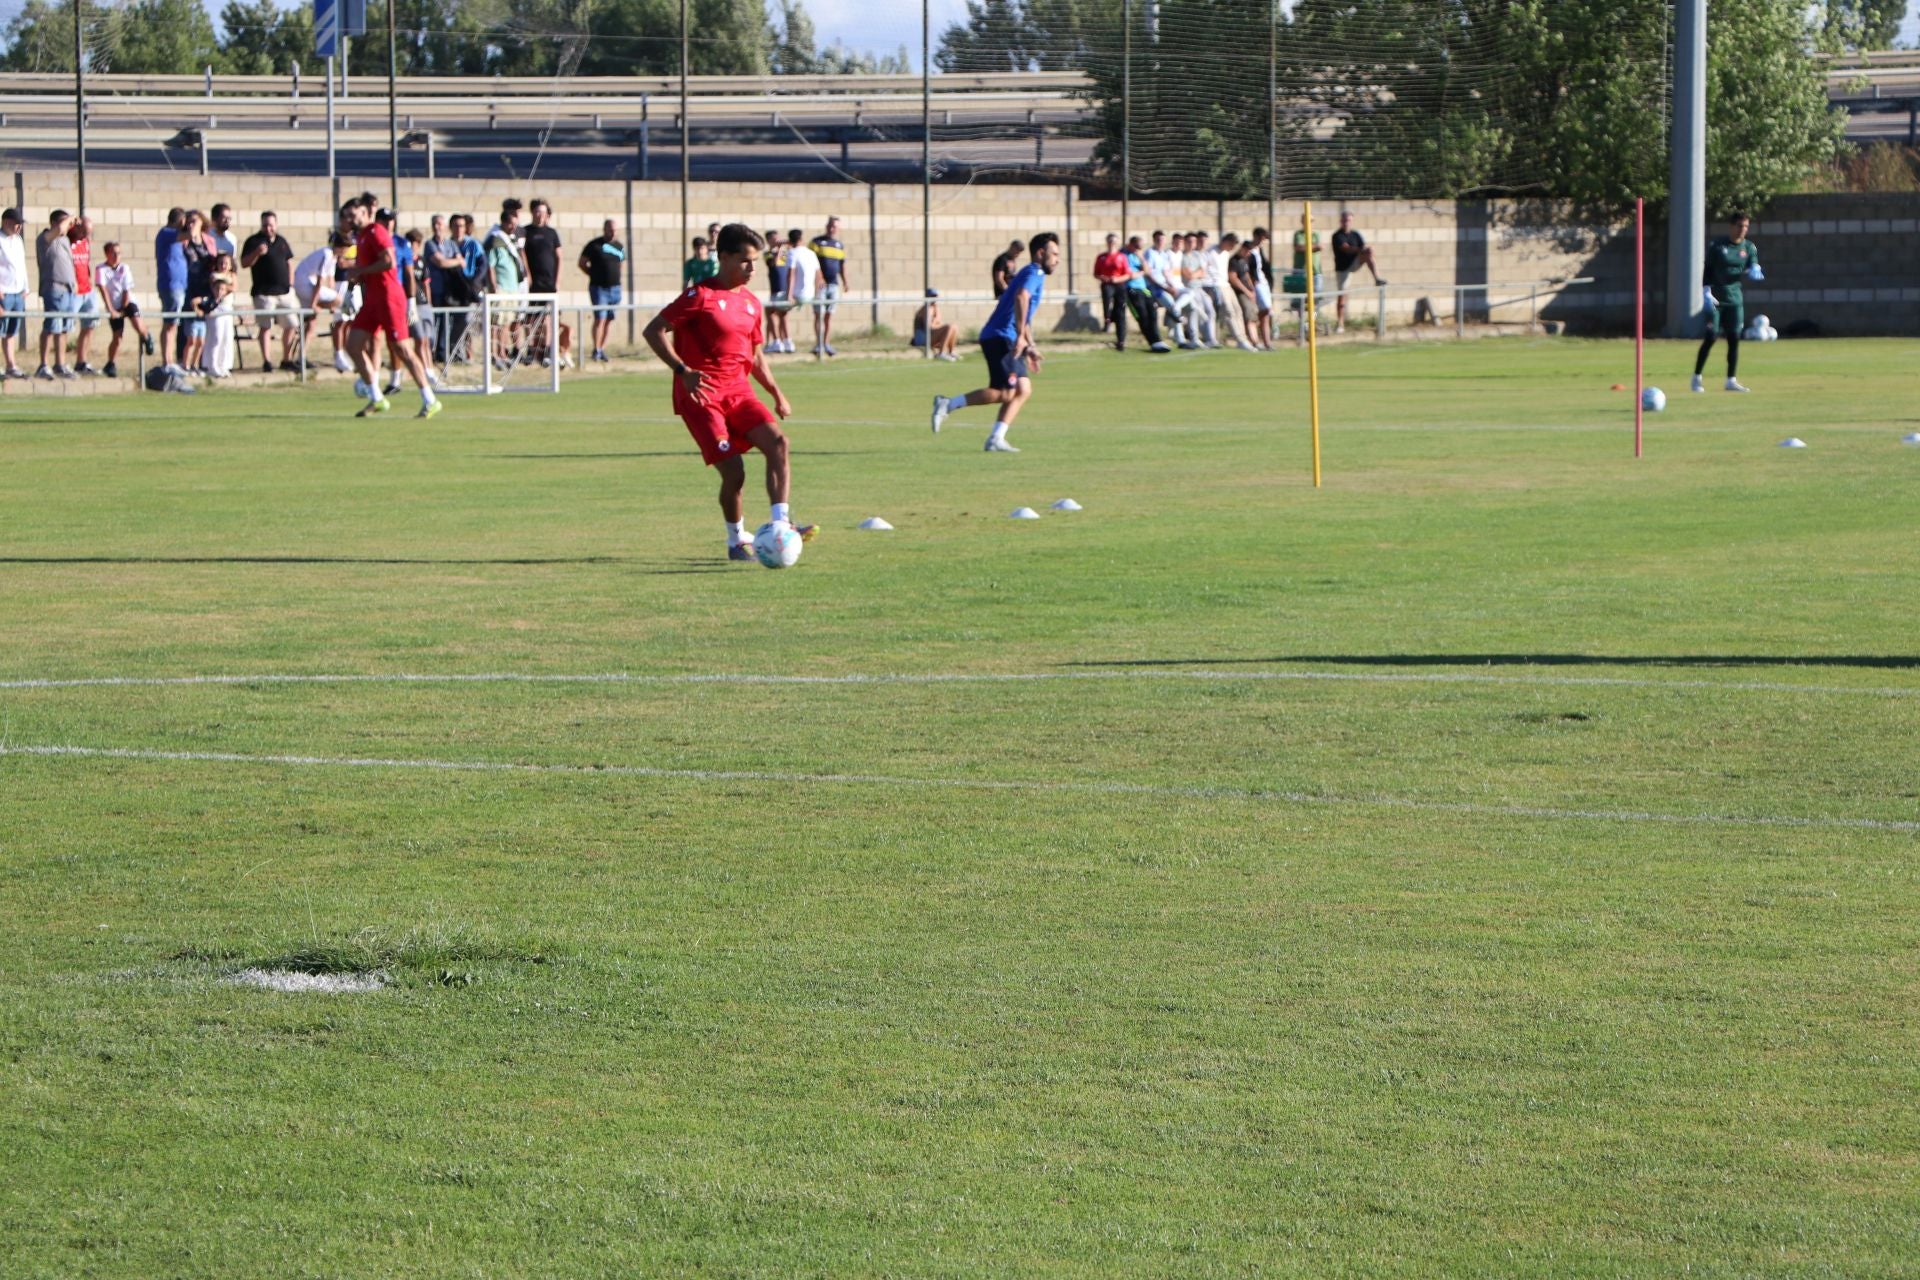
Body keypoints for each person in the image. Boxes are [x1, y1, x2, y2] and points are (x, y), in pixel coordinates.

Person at [643, 222, 815, 562]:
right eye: (746, 261)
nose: (753, 268)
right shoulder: (700, 296)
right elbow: (654, 331)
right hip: (702, 396)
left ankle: (781, 524)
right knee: (734, 472)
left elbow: (754, 356)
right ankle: (737, 540)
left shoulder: (751, 303)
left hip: (739, 393)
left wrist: (776, 393)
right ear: (724, 258)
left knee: (779, 443)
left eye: (755, 261)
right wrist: (683, 371)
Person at [928, 231, 1060, 453]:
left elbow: (1023, 313)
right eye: (1054, 254)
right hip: (1000, 336)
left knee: (1023, 389)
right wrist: (1019, 337)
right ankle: (947, 404)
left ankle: (996, 438)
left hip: (1005, 335)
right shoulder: (1034, 271)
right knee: (1006, 392)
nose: (1057, 259)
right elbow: (1021, 297)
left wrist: (1030, 346)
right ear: (1040, 253)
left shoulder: (1035, 274)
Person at [339, 194, 440, 419]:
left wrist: (360, 271)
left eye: (353, 215)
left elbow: (389, 262)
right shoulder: (362, 237)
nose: (350, 220)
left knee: (402, 349)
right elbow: (367, 268)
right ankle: (376, 397)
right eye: (347, 216)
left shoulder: (376, 232)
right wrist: (354, 280)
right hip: (373, 299)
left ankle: (430, 399)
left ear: (365, 213)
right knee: (353, 345)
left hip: (389, 297)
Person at [1693, 210, 1759, 394]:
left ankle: (1731, 380)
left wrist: (1755, 268)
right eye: (1739, 226)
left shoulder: (1749, 248)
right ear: (1731, 226)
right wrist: (1706, 290)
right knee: (1711, 337)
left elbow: (1754, 263)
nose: (1743, 230)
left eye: (1746, 226)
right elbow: (1708, 269)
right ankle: (1696, 377)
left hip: (1735, 300)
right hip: (1715, 299)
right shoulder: (1717, 246)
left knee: (1734, 339)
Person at [241, 210, 298, 372]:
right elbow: (245, 263)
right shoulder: (253, 241)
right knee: (265, 327)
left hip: (284, 292)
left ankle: (287, 359)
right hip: (264, 293)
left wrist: (291, 284)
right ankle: (267, 361)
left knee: (291, 325)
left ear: (276, 225)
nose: (268, 228)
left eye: (271, 225)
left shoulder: (281, 241)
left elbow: (289, 263)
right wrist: (257, 253)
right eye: (265, 225)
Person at [94, 240, 151, 378]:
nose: (116, 256)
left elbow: (127, 290)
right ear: (107, 254)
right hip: (114, 305)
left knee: (138, 325)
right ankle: (111, 364)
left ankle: (147, 336)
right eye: (113, 253)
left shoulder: (124, 268)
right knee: (117, 337)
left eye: (119, 253)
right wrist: (111, 309)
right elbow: (103, 290)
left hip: (128, 302)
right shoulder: (101, 269)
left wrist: (124, 308)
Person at [293, 234, 344, 370]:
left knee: (311, 325)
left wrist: (331, 304)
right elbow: (320, 282)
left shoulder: (333, 257)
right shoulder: (327, 254)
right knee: (339, 299)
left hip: (306, 285)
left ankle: (301, 358)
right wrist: (315, 304)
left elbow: (330, 281)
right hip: (304, 285)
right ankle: (315, 307)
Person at [36, 209, 76, 380]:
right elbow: (60, 228)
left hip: (68, 289)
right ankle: (43, 364)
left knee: (64, 329)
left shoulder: (65, 239)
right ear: (54, 222)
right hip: (53, 287)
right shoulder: (45, 238)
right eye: (65, 222)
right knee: (51, 326)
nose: (68, 226)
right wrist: (71, 218)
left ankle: (60, 363)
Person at [1329, 211, 1384, 334]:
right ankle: (1340, 324)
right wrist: (1360, 249)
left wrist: (1368, 250)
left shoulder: (1355, 234)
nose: (1346, 222)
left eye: (1348, 220)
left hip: (1355, 263)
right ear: (1341, 221)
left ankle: (1377, 278)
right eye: (1344, 220)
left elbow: (1363, 248)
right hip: (1343, 269)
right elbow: (1346, 248)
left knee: (1369, 253)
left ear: (1351, 221)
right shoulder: (1337, 236)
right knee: (1342, 297)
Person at [579, 217, 625, 363]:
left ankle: (602, 349)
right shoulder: (594, 245)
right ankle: (596, 349)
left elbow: (621, 264)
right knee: (600, 318)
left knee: (609, 320)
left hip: (615, 289)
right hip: (599, 288)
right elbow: (582, 263)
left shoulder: (619, 246)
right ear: (604, 229)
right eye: (610, 229)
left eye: (615, 230)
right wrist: (593, 274)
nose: (613, 232)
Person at [177, 210, 215, 376]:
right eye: (189, 221)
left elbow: (214, 260)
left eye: (195, 221)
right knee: (188, 329)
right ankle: (183, 362)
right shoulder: (182, 241)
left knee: (201, 331)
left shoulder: (209, 241)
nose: (191, 224)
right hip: (187, 287)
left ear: (202, 223)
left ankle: (196, 364)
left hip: (205, 288)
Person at [153, 207, 188, 373]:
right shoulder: (167, 232)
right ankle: (167, 360)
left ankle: (170, 359)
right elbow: (188, 235)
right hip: (171, 285)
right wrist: (193, 225)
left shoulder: (174, 237)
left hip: (179, 285)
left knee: (173, 325)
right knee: (170, 324)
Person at [1122, 234, 1170, 354]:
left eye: (1141, 248)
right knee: (1142, 316)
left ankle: (1158, 340)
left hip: (1144, 288)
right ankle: (1152, 342)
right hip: (1131, 289)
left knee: (1153, 313)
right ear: (1131, 245)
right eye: (1137, 247)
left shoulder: (1138, 255)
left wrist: (1142, 259)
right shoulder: (1123, 255)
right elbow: (1130, 275)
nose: (1139, 249)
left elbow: (1147, 271)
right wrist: (1141, 272)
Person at [809, 215, 848, 356]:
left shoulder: (839, 245)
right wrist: (818, 279)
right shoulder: (816, 242)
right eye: (831, 226)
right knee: (819, 315)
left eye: (835, 227)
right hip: (820, 285)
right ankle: (818, 344)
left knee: (829, 316)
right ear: (827, 226)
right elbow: (811, 263)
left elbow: (842, 265)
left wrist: (845, 281)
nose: (832, 229)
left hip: (834, 285)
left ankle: (826, 344)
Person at [1207, 231, 1253, 350]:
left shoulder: (1226, 253)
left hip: (1226, 285)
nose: (1232, 248)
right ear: (1226, 242)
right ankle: (1239, 339)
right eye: (1231, 244)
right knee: (1229, 311)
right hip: (1217, 285)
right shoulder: (1211, 251)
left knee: (1237, 310)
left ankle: (1243, 338)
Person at [67, 216, 101, 374]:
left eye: (89, 233)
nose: (86, 236)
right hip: (73, 292)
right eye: (84, 232)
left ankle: (82, 361)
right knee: (64, 327)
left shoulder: (85, 242)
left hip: (87, 290)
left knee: (90, 325)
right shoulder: (66, 240)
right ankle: (60, 363)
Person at [0, 207, 29, 378]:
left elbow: (21, 265)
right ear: (6, 222)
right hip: (3, 293)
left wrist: (26, 288)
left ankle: (11, 365)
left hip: (18, 293)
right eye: (16, 224)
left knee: (11, 332)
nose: (19, 228)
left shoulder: (18, 240)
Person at [200, 251, 238, 378]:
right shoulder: (214, 275)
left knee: (227, 338)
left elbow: (233, 288)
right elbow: (218, 287)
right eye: (221, 263)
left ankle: (224, 365)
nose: (223, 265)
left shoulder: (232, 275)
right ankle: (212, 365)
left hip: (228, 309)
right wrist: (225, 287)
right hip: (216, 309)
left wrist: (225, 287)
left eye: (226, 263)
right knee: (216, 337)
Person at [1093, 232, 1130, 349]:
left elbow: (1127, 274)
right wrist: (1103, 277)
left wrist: (1117, 278)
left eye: (1113, 242)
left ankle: (1121, 340)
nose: (1111, 244)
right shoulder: (1101, 257)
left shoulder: (1121, 257)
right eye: (1109, 241)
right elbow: (1096, 273)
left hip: (1119, 285)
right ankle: (1107, 319)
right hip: (1107, 284)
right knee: (1107, 298)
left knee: (1120, 312)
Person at [1181, 231, 1218, 348]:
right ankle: (1194, 338)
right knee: (1196, 313)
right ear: (1185, 243)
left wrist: (1195, 273)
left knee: (1210, 311)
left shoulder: (1197, 255)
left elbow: (1203, 272)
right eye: (1190, 241)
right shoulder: (1183, 257)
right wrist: (1196, 273)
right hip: (1189, 289)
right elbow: (1188, 275)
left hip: (1199, 287)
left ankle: (1211, 339)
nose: (1192, 244)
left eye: (1194, 241)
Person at [1227, 235, 1264, 350]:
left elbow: (1246, 275)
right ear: (1242, 248)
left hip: (1249, 293)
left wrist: (1252, 289)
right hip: (1241, 294)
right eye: (1247, 251)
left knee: (1254, 316)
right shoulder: (1234, 261)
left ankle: (1255, 340)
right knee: (1249, 317)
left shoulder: (1244, 260)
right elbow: (1233, 278)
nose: (1248, 254)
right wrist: (1247, 292)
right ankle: (1254, 341)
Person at [784, 229, 819, 347]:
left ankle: (786, 341)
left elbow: (790, 275)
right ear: (802, 239)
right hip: (811, 294)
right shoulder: (811, 253)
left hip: (798, 295)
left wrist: (789, 295)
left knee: (776, 312)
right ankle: (820, 344)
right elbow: (819, 275)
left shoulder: (792, 253)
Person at [762, 228, 791, 353]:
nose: (776, 241)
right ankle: (777, 341)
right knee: (772, 314)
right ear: (768, 240)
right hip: (775, 289)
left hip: (782, 289)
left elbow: (782, 262)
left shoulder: (784, 252)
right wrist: (779, 248)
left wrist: (783, 247)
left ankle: (784, 341)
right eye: (773, 239)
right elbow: (773, 263)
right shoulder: (767, 253)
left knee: (781, 315)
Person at [911, 288, 959, 360]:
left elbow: (938, 324)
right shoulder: (926, 309)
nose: (934, 299)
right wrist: (938, 324)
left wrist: (938, 324)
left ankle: (951, 352)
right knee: (949, 327)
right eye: (932, 296)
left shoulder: (935, 308)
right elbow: (929, 327)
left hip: (930, 335)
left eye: (935, 296)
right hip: (922, 339)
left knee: (954, 327)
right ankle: (941, 353)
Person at [1250, 226, 1277, 348]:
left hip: (1264, 284)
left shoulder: (1260, 250)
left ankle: (1267, 343)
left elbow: (1265, 268)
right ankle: (1253, 336)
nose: (1262, 241)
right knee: (1266, 309)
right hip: (1257, 285)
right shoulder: (1249, 251)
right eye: (1261, 238)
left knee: (1265, 314)